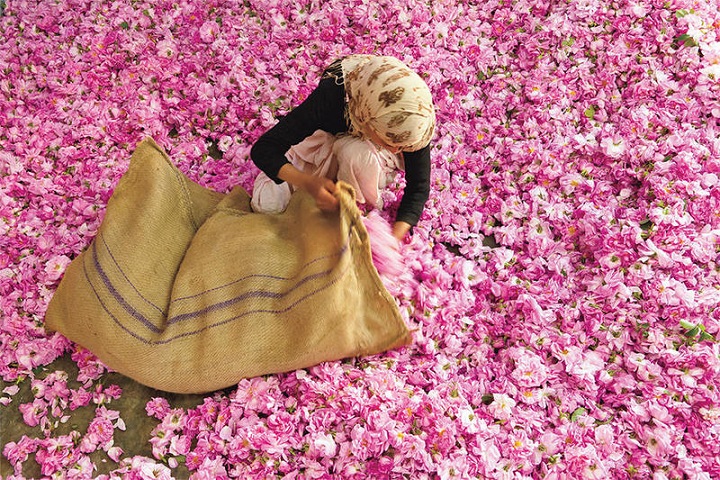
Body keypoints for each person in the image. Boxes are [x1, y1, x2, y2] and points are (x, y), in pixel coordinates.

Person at [250, 54, 436, 241]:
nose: (397, 151)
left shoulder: (413, 117)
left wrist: (392, 241)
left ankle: (356, 189)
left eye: (401, 146)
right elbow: (264, 149)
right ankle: (333, 174)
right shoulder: (332, 96)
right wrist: (308, 183)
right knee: (267, 205)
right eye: (390, 144)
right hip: (325, 138)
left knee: (355, 154)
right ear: (368, 122)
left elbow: (418, 187)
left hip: (363, 153)